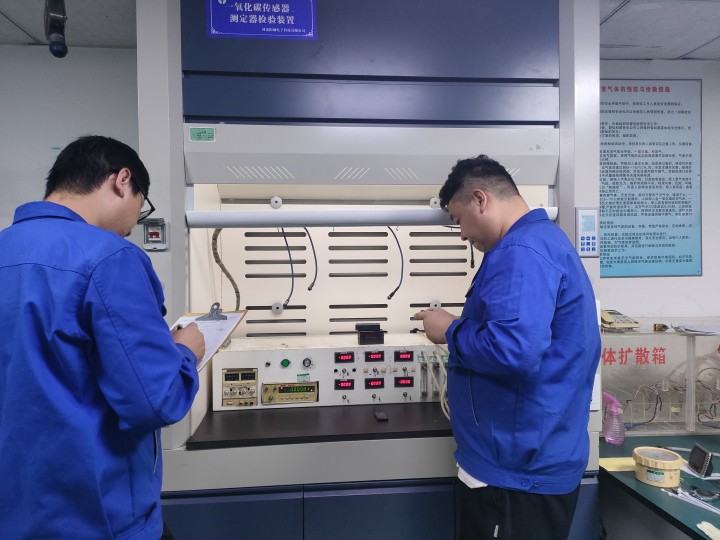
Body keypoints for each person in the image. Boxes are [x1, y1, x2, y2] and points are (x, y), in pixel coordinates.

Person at [0, 135, 205, 540]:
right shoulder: (110, 257)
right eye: (142, 206)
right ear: (122, 181)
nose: (133, 224)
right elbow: (157, 400)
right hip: (97, 518)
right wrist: (185, 351)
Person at [414, 155, 601, 540]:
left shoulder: (521, 252)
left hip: (516, 475)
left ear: (480, 199)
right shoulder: (543, 242)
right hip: (526, 459)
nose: (462, 234)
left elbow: (514, 350)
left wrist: (449, 329)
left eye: (459, 220)